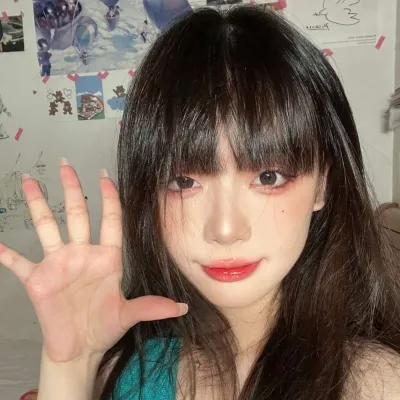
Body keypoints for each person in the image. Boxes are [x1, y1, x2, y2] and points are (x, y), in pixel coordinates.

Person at [1, 6, 400, 400]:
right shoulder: (129, 375)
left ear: (322, 186)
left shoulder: (379, 385)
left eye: (268, 177)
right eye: (184, 182)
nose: (224, 230)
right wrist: (72, 364)